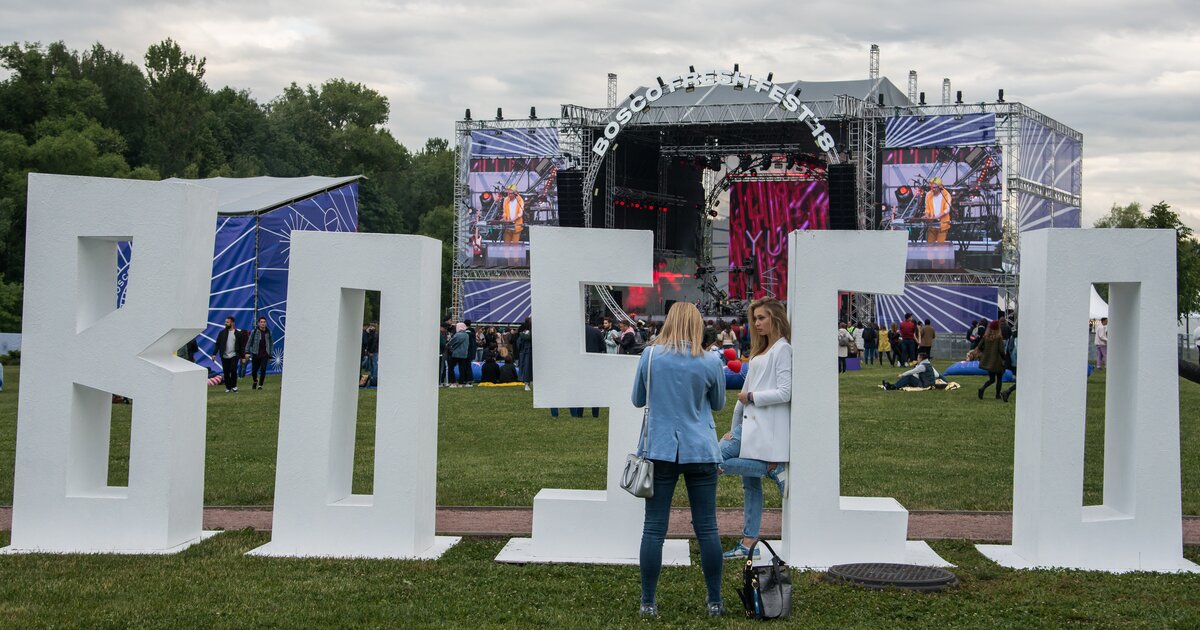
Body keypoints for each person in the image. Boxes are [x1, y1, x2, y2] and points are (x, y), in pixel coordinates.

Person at [631, 302, 726, 618]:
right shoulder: (710, 360)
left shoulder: (651, 356)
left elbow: (637, 400)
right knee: (708, 528)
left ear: (669, 322)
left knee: (654, 528)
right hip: (700, 448)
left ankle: (648, 601)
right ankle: (714, 601)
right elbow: (719, 404)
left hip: (659, 450)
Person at [718, 298, 792, 560]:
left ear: (776, 318)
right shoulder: (761, 349)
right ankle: (749, 543)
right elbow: (744, 391)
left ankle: (771, 468)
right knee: (750, 487)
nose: (757, 323)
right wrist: (733, 427)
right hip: (747, 426)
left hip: (761, 428)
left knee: (711, 460)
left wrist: (752, 398)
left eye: (762, 317)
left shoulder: (782, 349)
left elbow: (785, 392)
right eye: (755, 319)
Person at [971, 320, 1008, 400]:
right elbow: (1001, 350)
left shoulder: (986, 336)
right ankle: (997, 395)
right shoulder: (998, 338)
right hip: (997, 361)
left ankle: (982, 389)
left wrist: (985, 352)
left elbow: (979, 346)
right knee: (999, 378)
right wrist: (1004, 358)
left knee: (991, 379)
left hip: (988, 361)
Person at [212, 316, 247, 393]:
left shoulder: (238, 333)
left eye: (227, 322)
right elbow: (217, 344)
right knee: (226, 372)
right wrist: (214, 354)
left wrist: (243, 357)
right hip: (224, 356)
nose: (225, 323)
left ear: (232, 323)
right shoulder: (222, 333)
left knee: (233, 370)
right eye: (225, 322)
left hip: (234, 355)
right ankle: (228, 387)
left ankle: (234, 386)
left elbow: (241, 346)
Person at [244, 317, 273, 390]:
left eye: (264, 322)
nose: (263, 323)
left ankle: (260, 385)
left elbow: (271, 344)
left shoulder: (268, 332)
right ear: (258, 323)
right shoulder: (254, 331)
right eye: (261, 322)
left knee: (263, 369)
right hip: (256, 353)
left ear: (266, 323)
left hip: (265, 354)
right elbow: (249, 341)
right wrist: (247, 352)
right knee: (254, 370)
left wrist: (270, 355)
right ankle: (255, 380)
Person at [924, 176, 952, 243]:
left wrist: (936, 217)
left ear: (940, 187)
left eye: (934, 187)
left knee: (940, 248)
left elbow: (947, 209)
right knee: (929, 248)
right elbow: (927, 208)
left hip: (942, 225)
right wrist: (927, 215)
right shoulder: (928, 194)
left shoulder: (946, 194)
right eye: (931, 187)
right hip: (931, 225)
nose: (932, 189)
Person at [447, 322, 472, 387]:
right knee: (462, 369)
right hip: (464, 354)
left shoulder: (457, 335)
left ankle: (453, 382)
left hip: (455, 354)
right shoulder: (467, 335)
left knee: (451, 368)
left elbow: (451, 343)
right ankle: (461, 382)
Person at [516, 318, 533, 391]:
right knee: (527, 368)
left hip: (527, 352)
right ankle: (526, 384)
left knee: (527, 368)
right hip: (527, 352)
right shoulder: (526, 332)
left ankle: (527, 384)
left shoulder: (524, 332)